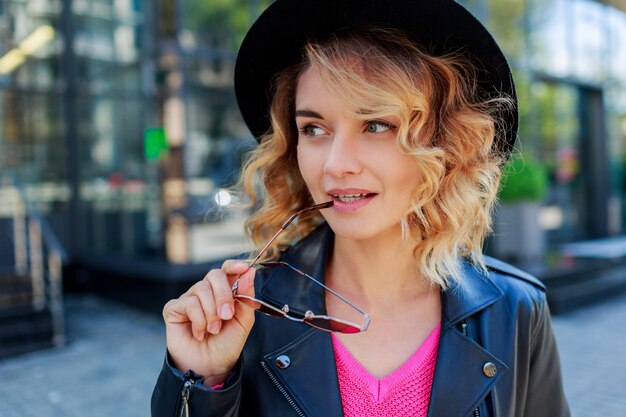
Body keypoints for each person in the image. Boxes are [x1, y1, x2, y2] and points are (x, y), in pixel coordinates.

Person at [151, 0, 571, 416]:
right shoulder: (247, 316)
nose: (335, 164)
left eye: (376, 125)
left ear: (445, 144)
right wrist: (202, 382)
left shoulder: (516, 311)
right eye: (313, 129)